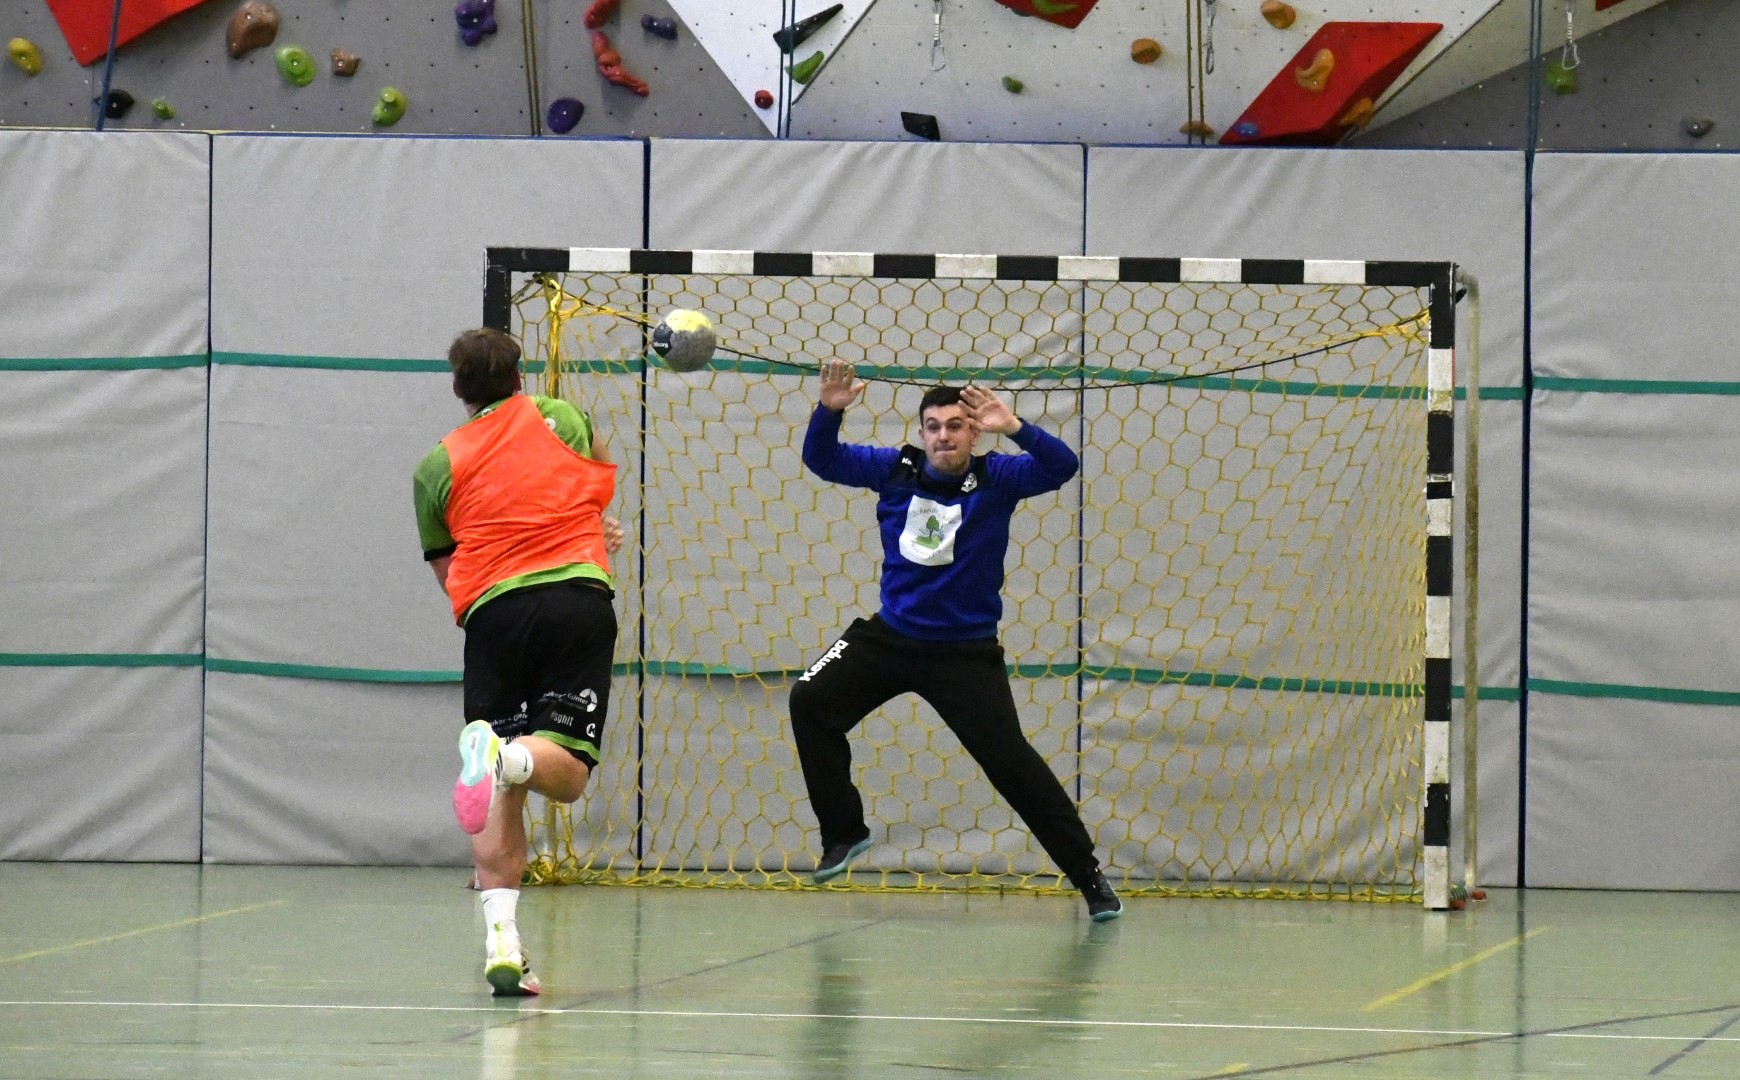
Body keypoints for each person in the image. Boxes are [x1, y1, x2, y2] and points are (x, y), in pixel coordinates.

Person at [789, 358, 1123, 921]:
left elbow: (1061, 466)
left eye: (955, 426)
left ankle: (1089, 878)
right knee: (809, 699)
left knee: (1013, 767)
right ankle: (844, 832)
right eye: (934, 427)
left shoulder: (999, 477)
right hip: (891, 637)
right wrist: (829, 411)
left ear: (974, 433)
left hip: (964, 653)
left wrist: (1013, 426)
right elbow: (822, 459)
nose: (944, 436)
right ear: (922, 435)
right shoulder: (894, 469)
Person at [413, 327, 625, 995]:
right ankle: (504, 757)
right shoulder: (560, 416)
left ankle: (503, 942)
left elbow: (450, 573)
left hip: (492, 618)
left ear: (458, 389)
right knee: (565, 775)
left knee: (497, 793)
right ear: (519, 376)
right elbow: (600, 476)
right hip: (574, 601)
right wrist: (590, 524)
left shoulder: (436, 465)